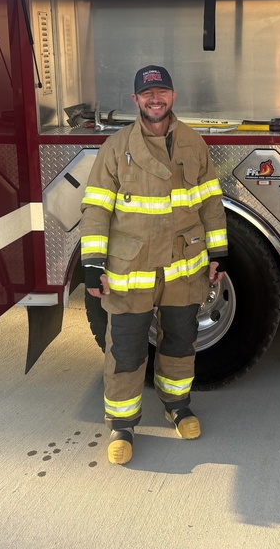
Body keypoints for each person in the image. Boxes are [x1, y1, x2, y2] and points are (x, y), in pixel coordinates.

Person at [79, 65, 228, 465]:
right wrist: (93, 263)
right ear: (135, 101)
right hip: (131, 271)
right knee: (126, 351)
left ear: (173, 96)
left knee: (180, 343)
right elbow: (96, 208)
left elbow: (211, 203)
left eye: (161, 91)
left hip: (183, 268)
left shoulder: (194, 144)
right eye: (147, 94)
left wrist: (218, 254)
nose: (155, 99)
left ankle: (177, 405)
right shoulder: (116, 147)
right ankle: (122, 424)